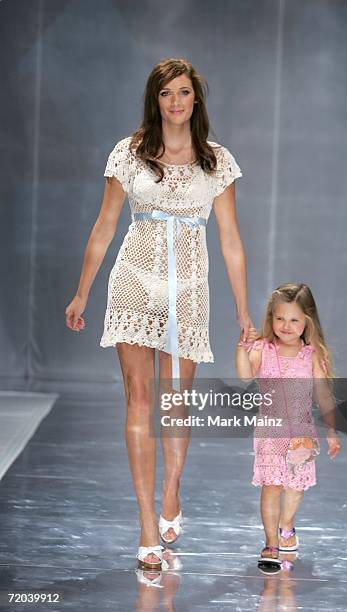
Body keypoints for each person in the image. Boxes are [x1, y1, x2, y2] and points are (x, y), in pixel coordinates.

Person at [65, 58, 253, 571]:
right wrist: (82, 293)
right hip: (134, 281)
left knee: (175, 404)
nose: (176, 102)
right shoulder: (129, 154)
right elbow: (104, 227)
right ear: (156, 99)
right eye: (167, 93)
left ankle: (171, 488)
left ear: (197, 99)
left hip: (189, 286)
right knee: (139, 398)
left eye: (184, 92)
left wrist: (242, 311)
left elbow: (231, 240)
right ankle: (147, 523)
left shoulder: (216, 162)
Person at [236, 283, 340, 566]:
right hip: (270, 431)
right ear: (271, 317)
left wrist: (331, 431)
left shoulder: (311, 355)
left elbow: (322, 394)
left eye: (294, 320)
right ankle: (270, 542)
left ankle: (286, 525)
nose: (286, 325)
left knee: (295, 486)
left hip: (302, 432)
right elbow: (245, 375)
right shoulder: (263, 349)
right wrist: (242, 348)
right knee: (271, 485)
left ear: (308, 320)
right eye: (280, 318)